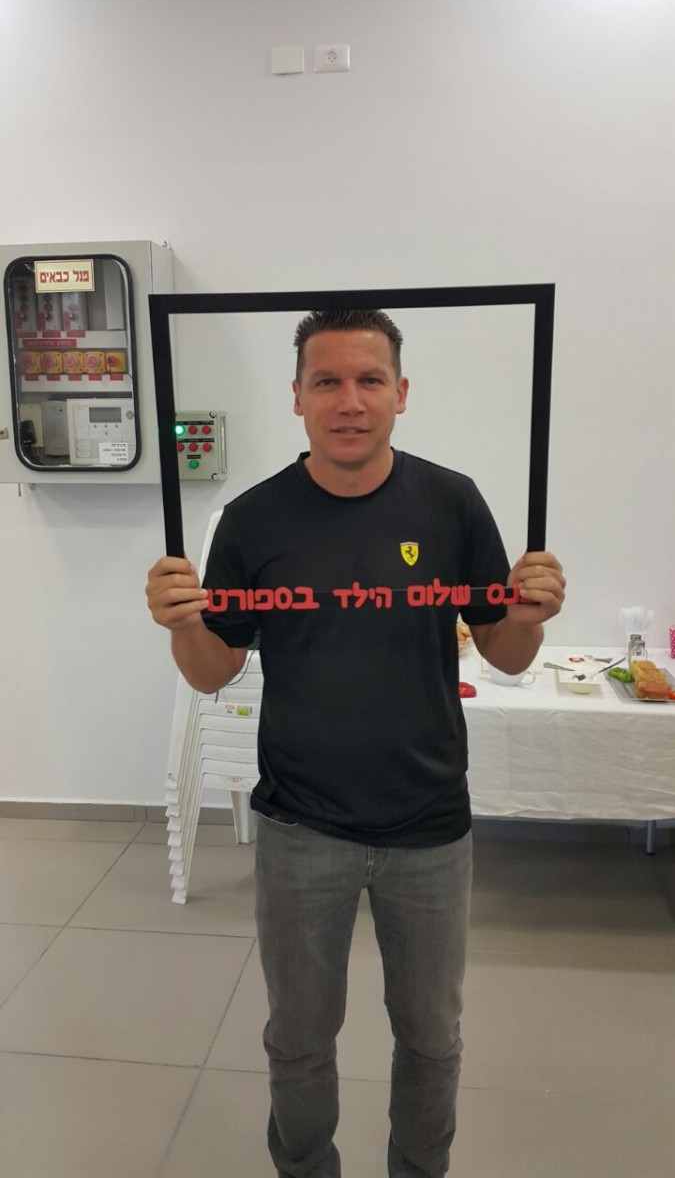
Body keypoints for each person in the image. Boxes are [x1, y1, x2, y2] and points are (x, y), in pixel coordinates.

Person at [146, 309, 566, 1178]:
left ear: (400, 394)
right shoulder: (254, 520)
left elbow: (505, 651)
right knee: (299, 1039)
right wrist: (181, 622)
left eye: (369, 380)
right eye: (326, 381)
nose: (349, 400)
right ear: (296, 396)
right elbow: (214, 668)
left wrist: (529, 613)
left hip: (429, 825)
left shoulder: (451, 503)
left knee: (432, 1038)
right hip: (301, 827)